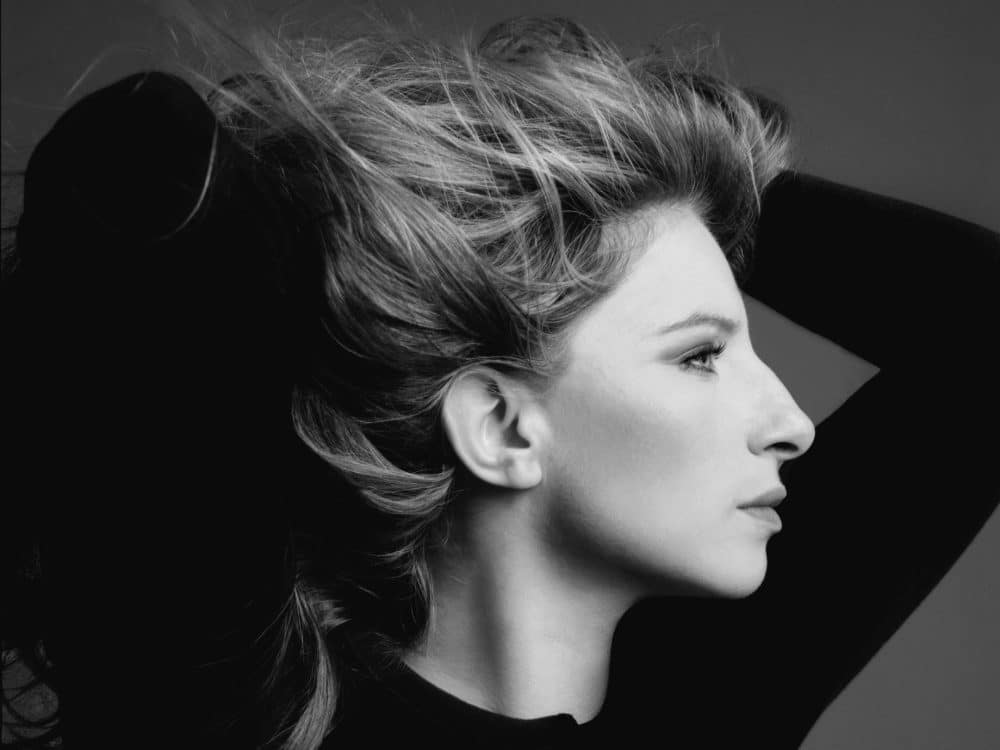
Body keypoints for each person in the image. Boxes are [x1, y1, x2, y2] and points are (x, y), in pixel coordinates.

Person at [3, 12, 997, 750]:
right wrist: (497, 178)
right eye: (700, 355)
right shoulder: (247, 703)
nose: (792, 422)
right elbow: (139, 162)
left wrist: (613, 158)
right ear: (500, 426)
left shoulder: (715, 695)